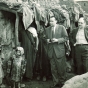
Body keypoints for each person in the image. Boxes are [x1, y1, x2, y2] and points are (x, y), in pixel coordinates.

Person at [45, 16, 68, 88]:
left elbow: (66, 38)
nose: (50, 23)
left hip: (59, 51)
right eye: (50, 21)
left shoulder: (61, 27)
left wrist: (57, 40)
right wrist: (47, 40)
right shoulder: (47, 29)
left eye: (52, 21)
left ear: (56, 21)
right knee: (53, 68)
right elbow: (44, 38)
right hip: (51, 52)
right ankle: (55, 83)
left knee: (61, 68)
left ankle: (63, 83)